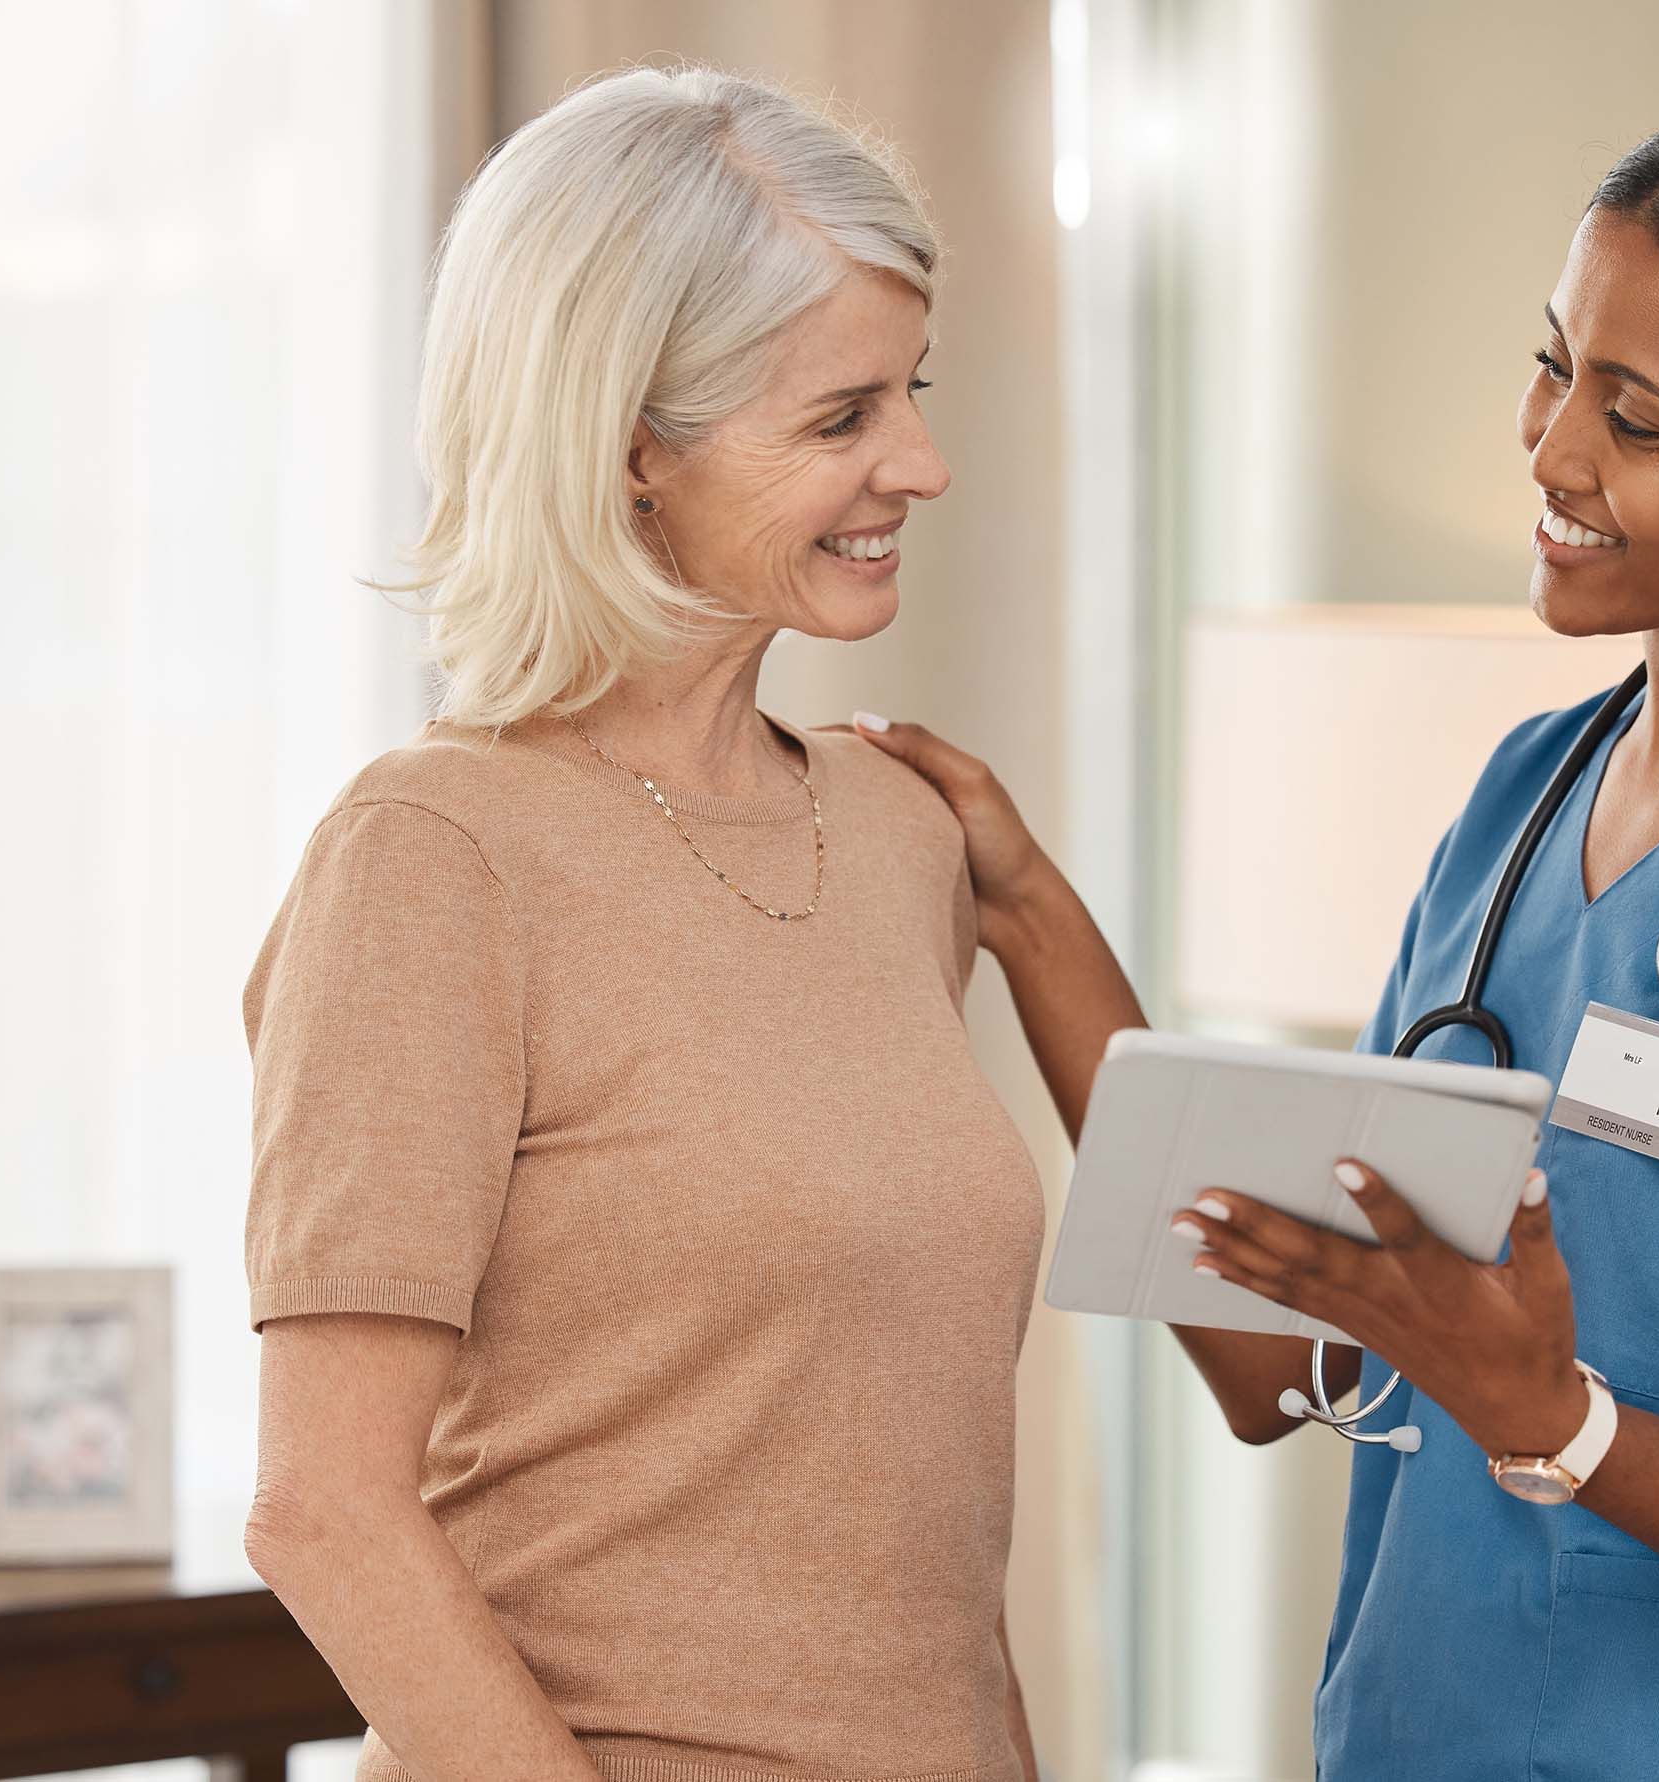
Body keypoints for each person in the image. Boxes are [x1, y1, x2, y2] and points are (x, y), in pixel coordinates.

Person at [862, 98, 1659, 1779]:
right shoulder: (1527, 799)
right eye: (1555, 368)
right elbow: (1291, 1364)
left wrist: (1558, 1421)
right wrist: (1032, 918)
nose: (1551, 452)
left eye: (1641, 419)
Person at [240, 66, 1043, 1782]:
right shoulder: (433, 854)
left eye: (911, 391)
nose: (922, 460)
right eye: (840, 419)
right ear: (629, 452)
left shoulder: (899, 837)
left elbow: (910, 1510)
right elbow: (324, 1508)